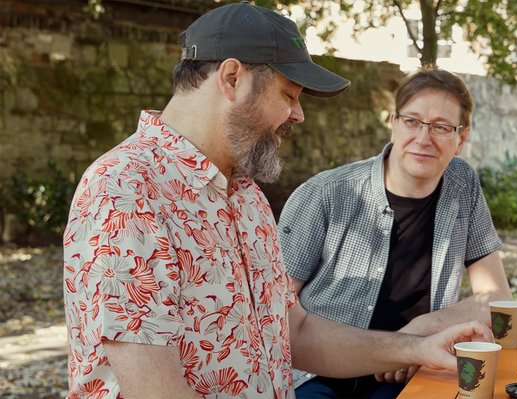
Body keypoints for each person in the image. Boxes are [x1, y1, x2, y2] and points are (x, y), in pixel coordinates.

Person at [63, 3, 494, 398]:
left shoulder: (245, 195)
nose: (299, 114)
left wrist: (416, 348)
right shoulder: (126, 190)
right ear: (232, 78)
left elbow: (296, 333)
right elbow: (155, 391)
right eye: (288, 95)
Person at [278, 66, 513, 398]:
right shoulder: (326, 194)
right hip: (319, 371)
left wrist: (421, 329)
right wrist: (407, 342)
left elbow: (497, 300)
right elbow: (273, 313)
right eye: (412, 121)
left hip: (407, 372)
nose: (423, 139)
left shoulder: (463, 187)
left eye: (441, 127)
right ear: (393, 123)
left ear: (461, 138)